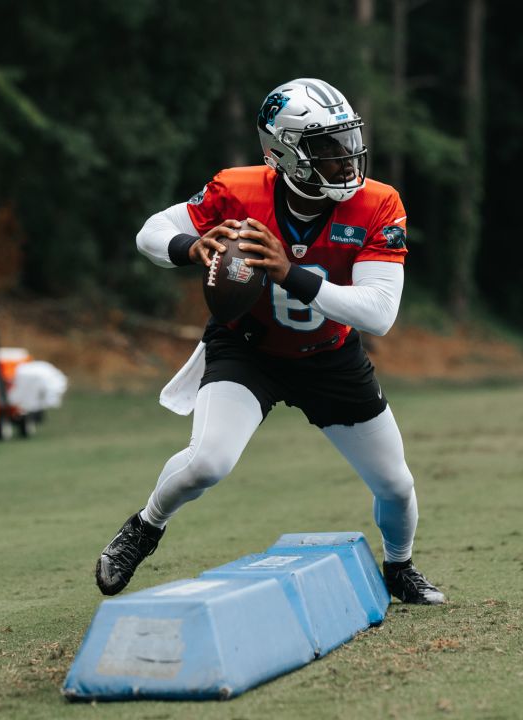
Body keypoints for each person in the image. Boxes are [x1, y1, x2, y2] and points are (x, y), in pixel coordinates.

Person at [95, 78, 444, 605]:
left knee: (395, 485)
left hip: (329, 355)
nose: (346, 159)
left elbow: (379, 314)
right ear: (283, 154)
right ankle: (146, 526)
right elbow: (149, 233)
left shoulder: (378, 204)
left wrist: (288, 271)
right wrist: (191, 246)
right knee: (209, 462)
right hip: (247, 348)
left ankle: (399, 566)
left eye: (348, 142)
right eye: (327, 148)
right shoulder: (238, 189)